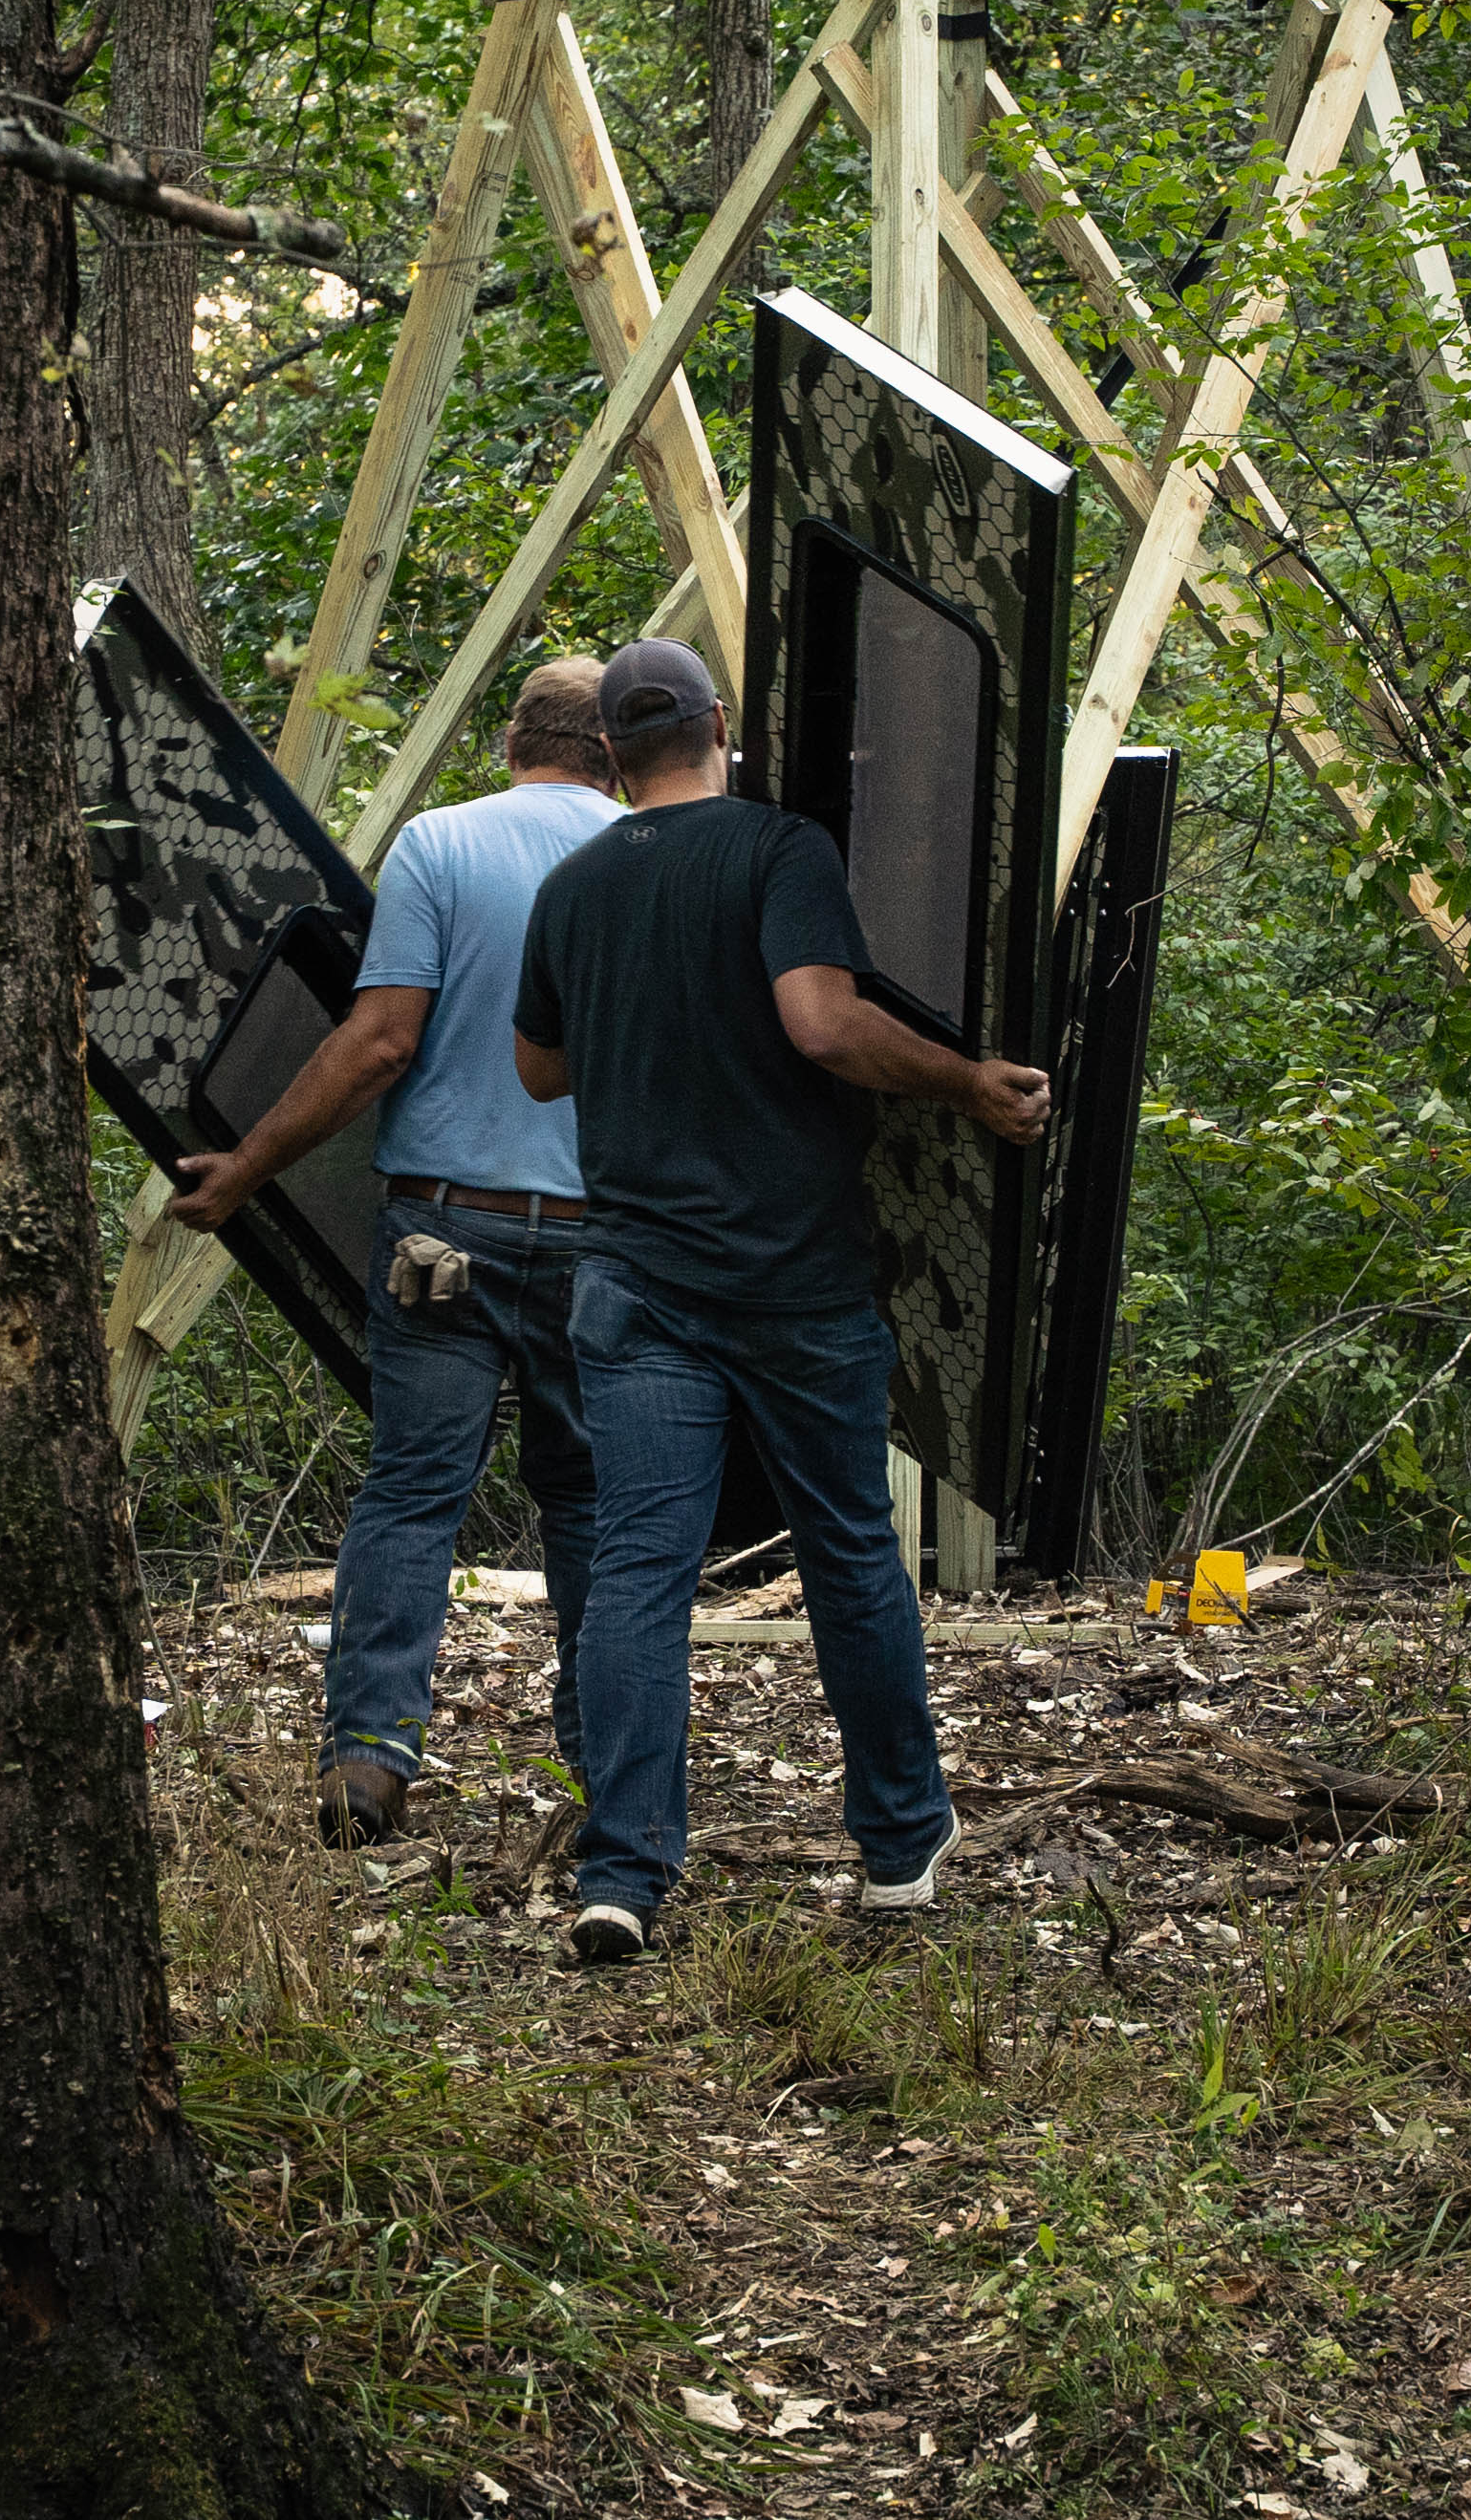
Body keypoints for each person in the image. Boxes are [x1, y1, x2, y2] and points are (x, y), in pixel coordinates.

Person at [511, 636, 1050, 1968]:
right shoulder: (778, 850)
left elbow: (537, 1070)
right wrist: (966, 1080)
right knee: (847, 1551)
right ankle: (899, 1845)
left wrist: (643, 1023)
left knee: (638, 1570)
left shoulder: (571, 886)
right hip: (792, 1280)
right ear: (716, 725)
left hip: (631, 1281)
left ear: (607, 753)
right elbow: (821, 1023)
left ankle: (622, 1871)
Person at [167, 657, 623, 1848]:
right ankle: (607, 1777)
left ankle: (368, 1764)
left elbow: (378, 1045)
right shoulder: (647, 856)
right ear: (615, 756)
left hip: (441, 1232)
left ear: (511, 743)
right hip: (599, 1240)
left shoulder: (442, 843)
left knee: (413, 1494)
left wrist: (245, 1167)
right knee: (588, 1504)